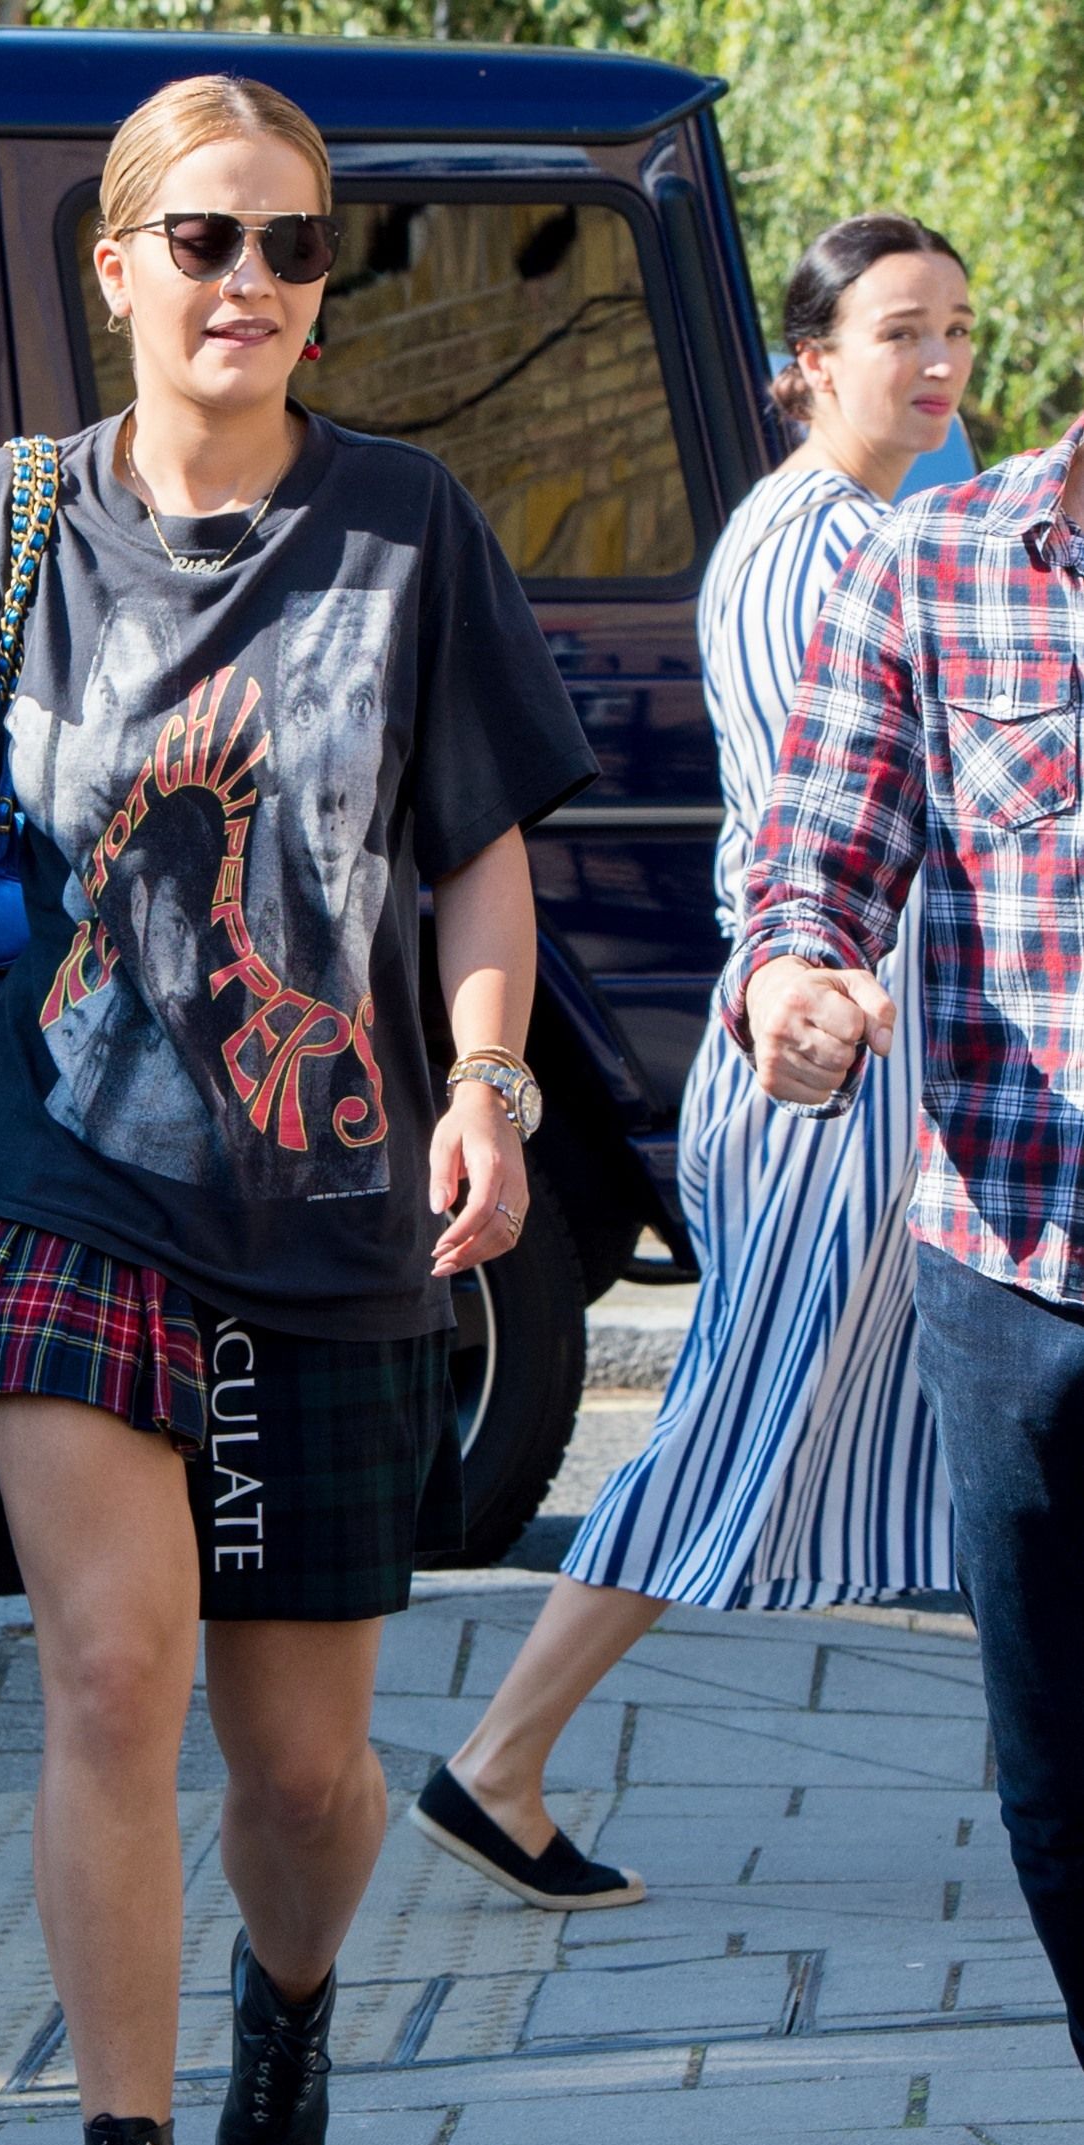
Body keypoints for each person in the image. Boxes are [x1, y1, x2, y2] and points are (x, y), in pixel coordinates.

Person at [0, 74, 594, 2145]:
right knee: (112, 1679)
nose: (252, 282)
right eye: (207, 238)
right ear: (113, 262)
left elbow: (473, 855)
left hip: (327, 1211)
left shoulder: (405, 527)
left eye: (295, 246)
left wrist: (487, 1078)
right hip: (61, 1181)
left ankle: (290, 2000)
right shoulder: (11, 524)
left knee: (305, 1778)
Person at [409, 217, 971, 1909]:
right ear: (806, 363)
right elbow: (846, 829)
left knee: (969, 1405)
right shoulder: (828, 546)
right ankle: (497, 1762)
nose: (939, 361)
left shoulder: (852, 528)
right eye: (898, 331)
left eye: (955, 327)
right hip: (834, 1059)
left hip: (867, 1052)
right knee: (743, 1415)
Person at [727, 389, 1084, 2145]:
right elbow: (815, 858)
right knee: (1058, 1774)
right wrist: (792, 987)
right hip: (1015, 1257)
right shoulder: (939, 564)